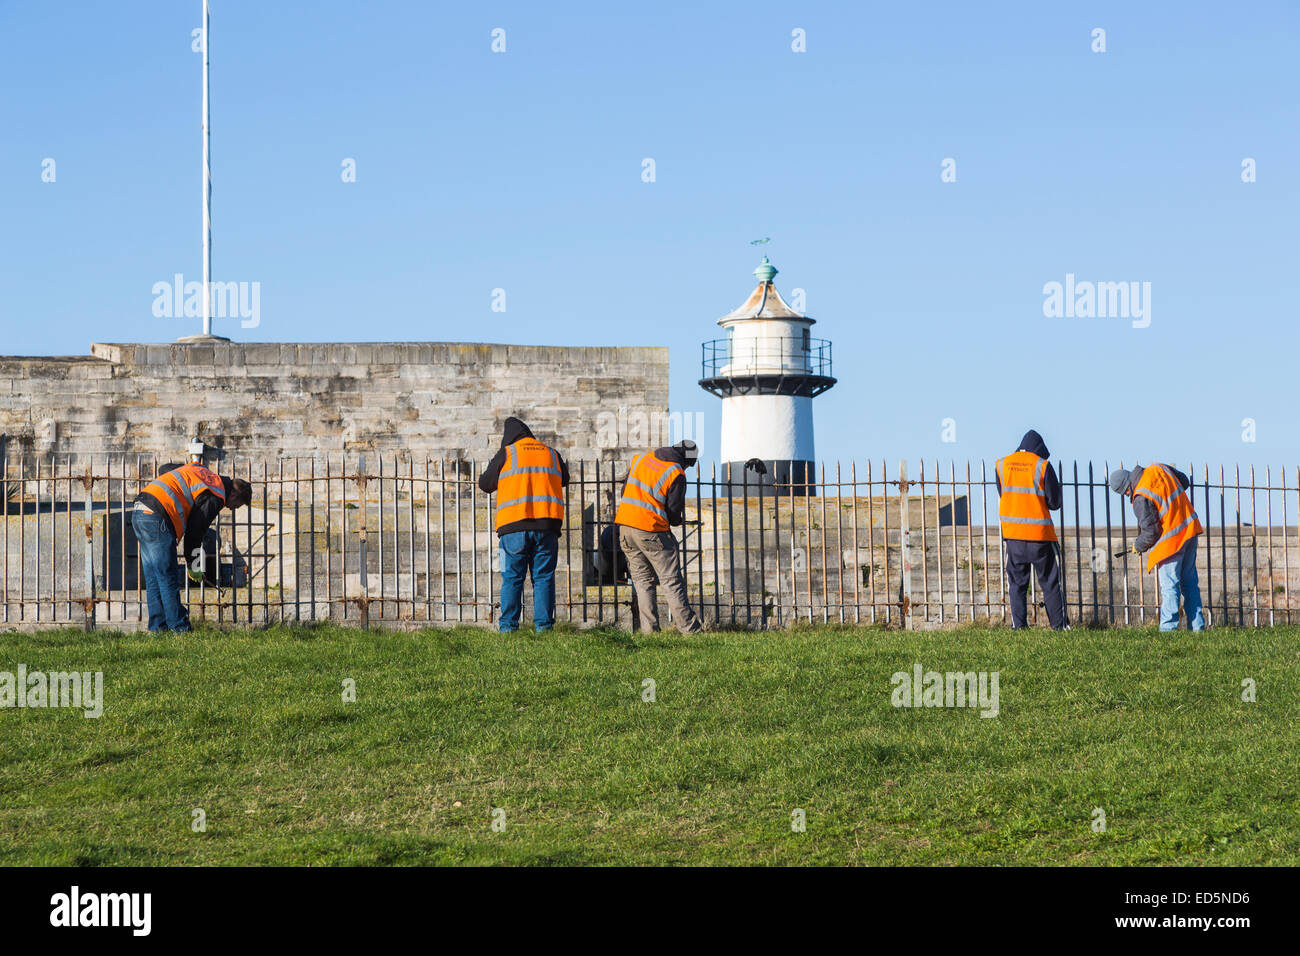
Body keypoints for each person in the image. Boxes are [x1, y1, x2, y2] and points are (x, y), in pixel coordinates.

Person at [132, 462, 252, 632]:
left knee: (154, 576)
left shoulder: (200, 470)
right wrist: (194, 565)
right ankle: (180, 628)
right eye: (236, 505)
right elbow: (195, 532)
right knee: (168, 575)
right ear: (233, 494)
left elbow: (165, 469)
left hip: (140, 509)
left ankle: (158, 628)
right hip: (158, 515)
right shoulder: (216, 494)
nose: (232, 509)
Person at [478, 416, 568, 633]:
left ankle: (508, 628)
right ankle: (544, 628)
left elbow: (485, 484)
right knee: (544, 577)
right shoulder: (551, 453)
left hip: (514, 526)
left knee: (512, 577)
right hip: (547, 525)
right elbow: (565, 479)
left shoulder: (507, 453)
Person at [614, 440, 703, 634]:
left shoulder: (642, 459)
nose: (686, 469)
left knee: (642, 580)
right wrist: (677, 520)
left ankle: (650, 631)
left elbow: (624, 491)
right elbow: (673, 512)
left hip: (625, 526)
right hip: (651, 530)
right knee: (671, 581)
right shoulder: (675, 473)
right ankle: (690, 630)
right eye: (688, 465)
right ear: (686, 460)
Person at [1109, 463, 1205, 631]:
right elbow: (1184, 481)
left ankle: (1168, 630)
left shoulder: (1140, 497)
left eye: (1125, 493)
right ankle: (1197, 627)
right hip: (1189, 529)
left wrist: (1138, 546)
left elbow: (1151, 532)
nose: (1127, 495)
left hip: (1171, 542)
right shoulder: (1157, 468)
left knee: (1170, 587)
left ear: (1126, 488)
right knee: (1190, 583)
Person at [995, 429, 1068, 630]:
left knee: (1017, 584)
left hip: (1013, 536)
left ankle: (1019, 626)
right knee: (1050, 582)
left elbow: (1004, 493)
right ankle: (1059, 626)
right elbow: (1055, 502)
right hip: (1040, 536)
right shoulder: (1042, 466)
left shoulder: (1001, 465)